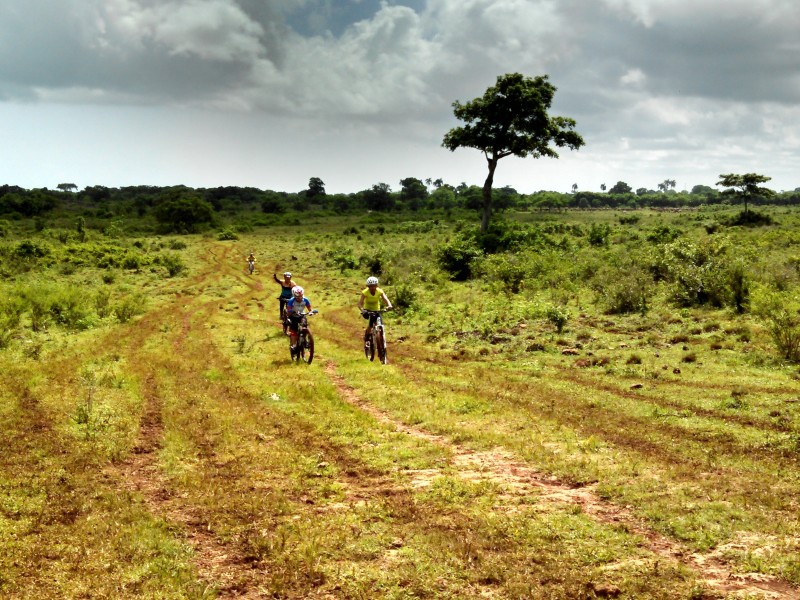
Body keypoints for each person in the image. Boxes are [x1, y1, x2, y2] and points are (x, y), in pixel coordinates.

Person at [358, 276, 392, 342]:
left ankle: (381, 339)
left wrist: (389, 305)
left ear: (376, 285)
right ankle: (367, 335)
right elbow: (360, 303)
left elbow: (385, 299)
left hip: (376, 309)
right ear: (368, 286)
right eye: (371, 286)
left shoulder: (379, 291)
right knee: (371, 324)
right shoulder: (365, 292)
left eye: (374, 286)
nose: (372, 288)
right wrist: (362, 310)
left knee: (380, 323)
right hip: (368, 309)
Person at [285, 286, 312, 350]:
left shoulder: (306, 300)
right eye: (298, 297)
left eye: (301, 296)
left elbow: (309, 308)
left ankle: (305, 340)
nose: (300, 298)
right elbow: (288, 311)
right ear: (294, 296)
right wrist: (292, 312)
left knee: (304, 327)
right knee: (294, 330)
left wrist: (311, 312)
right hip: (293, 316)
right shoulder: (291, 301)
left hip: (302, 315)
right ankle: (294, 344)